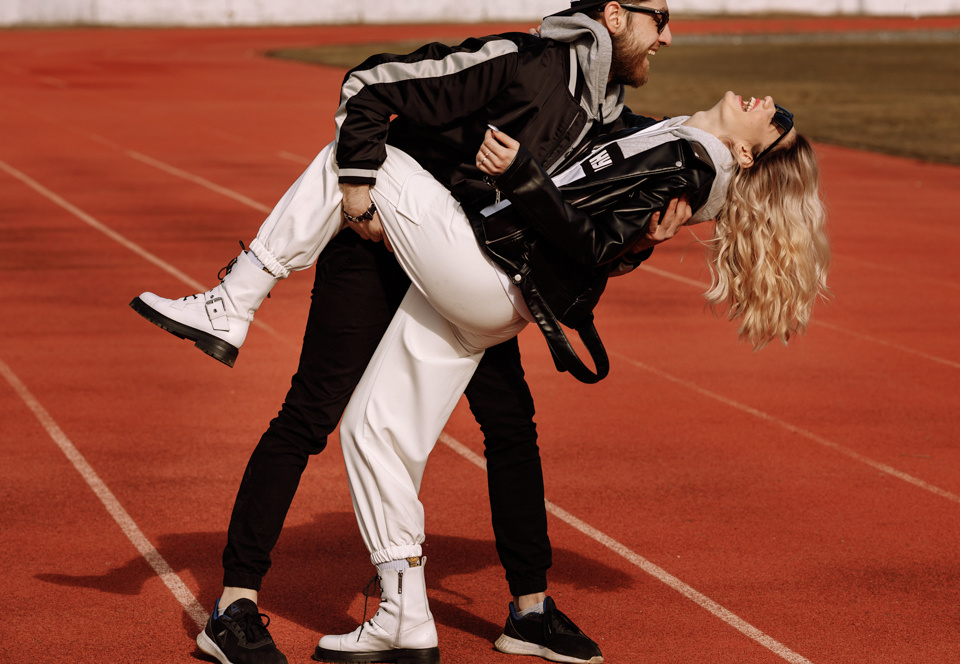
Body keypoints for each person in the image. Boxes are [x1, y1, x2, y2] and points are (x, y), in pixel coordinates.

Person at [141, 90, 830, 663]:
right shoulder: (671, 134)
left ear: (745, 153)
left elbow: (589, 245)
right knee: (373, 431)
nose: (766, 100)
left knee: (356, 155)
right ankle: (406, 612)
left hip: (478, 267)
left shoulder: (691, 163)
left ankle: (231, 304)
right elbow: (606, 221)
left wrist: (526, 176)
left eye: (772, 119)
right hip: (482, 282)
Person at [133, 0, 678, 664]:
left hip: (459, 264)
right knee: (311, 411)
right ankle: (235, 606)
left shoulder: (604, 118)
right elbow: (368, 86)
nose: (668, 37)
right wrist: (358, 185)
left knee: (510, 423)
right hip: (380, 243)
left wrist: (640, 242)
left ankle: (531, 611)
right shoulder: (517, 61)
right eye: (660, 19)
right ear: (615, 15)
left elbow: (578, 230)